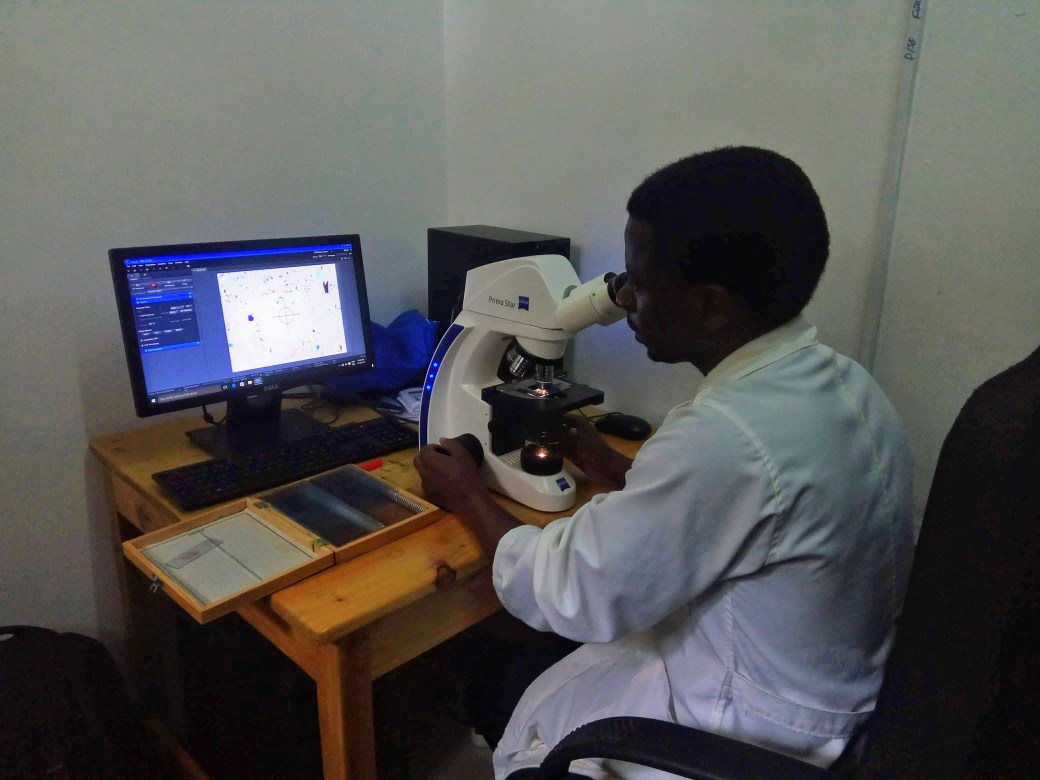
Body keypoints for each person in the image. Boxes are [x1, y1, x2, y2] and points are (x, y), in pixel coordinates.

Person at [414, 146, 915, 779]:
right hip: (827, 704)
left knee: (504, 674)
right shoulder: (847, 387)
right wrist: (612, 468)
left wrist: (468, 496)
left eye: (639, 285)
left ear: (709, 305)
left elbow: (572, 592)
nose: (623, 302)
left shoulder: (726, 438)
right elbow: (750, 519)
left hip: (737, 738)